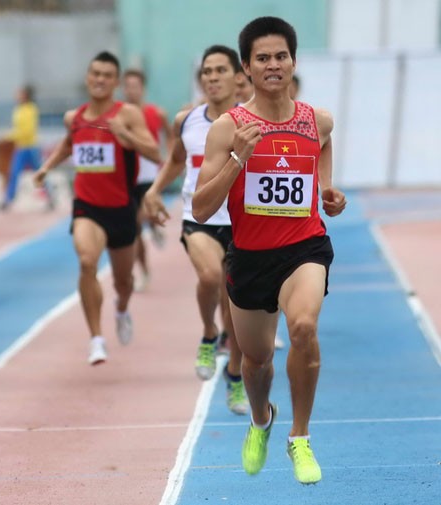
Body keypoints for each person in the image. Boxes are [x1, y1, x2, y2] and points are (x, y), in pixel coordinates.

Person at [192, 17, 346, 484]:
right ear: (247, 67)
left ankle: (299, 438)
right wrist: (238, 157)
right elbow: (200, 208)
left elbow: (323, 147)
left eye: (281, 56)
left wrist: (327, 190)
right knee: (257, 364)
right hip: (251, 258)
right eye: (263, 58)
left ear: (293, 61)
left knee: (303, 327)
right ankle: (261, 420)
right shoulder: (227, 128)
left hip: (305, 249)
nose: (273, 64)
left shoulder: (316, 120)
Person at [32, 51, 160, 365]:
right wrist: (47, 167)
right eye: (95, 74)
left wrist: (124, 135)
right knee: (87, 261)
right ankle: (96, 339)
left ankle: (121, 309)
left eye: (106, 75)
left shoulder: (127, 114)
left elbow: (155, 153)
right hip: (87, 206)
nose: (100, 79)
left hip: (121, 209)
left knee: (123, 282)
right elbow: (69, 143)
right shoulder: (73, 117)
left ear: (115, 82)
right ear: (88, 78)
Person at [144, 45, 248, 415]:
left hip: (243, 222)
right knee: (209, 276)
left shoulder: (250, 122)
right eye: (206, 72)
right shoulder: (187, 121)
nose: (212, 77)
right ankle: (208, 333)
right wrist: (155, 191)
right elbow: (176, 162)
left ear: (238, 77)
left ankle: (235, 375)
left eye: (220, 70)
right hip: (199, 218)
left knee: (237, 304)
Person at [122, 68, 173, 291]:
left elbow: (171, 137)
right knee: (133, 230)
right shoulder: (119, 116)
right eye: (128, 86)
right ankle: (144, 271)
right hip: (127, 178)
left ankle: (152, 223)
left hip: (150, 177)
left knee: (142, 217)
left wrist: (169, 159)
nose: (131, 91)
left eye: (135, 86)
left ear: (142, 88)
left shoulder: (156, 113)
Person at [1, 85, 53, 210]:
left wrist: (9, 136)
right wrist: (12, 135)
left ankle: (51, 198)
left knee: (40, 173)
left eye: (20, 93)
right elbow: (17, 128)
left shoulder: (31, 109)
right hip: (21, 147)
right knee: (14, 173)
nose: (17, 95)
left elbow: (27, 130)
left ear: (26, 95)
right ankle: (8, 200)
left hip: (31, 147)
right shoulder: (18, 109)